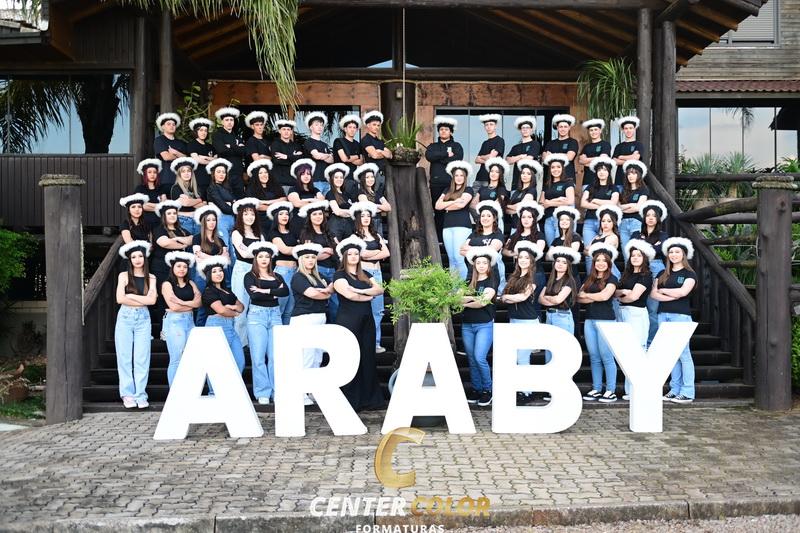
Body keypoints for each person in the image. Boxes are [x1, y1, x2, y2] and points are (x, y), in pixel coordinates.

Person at [334, 235, 387, 411]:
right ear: (344, 256)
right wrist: (367, 296)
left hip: (366, 320)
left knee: (367, 357)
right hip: (348, 320)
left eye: (356, 254)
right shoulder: (339, 275)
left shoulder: (365, 274)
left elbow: (379, 289)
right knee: (350, 358)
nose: (353, 257)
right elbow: (348, 295)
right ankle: (351, 401)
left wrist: (359, 290)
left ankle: (370, 400)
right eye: (350, 254)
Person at [651, 237, 697, 404]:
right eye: (671, 252)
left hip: (681, 316)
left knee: (684, 354)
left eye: (677, 252)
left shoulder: (689, 274)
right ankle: (674, 389)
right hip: (663, 316)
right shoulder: (661, 274)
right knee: (670, 355)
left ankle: (688, 392)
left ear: (683, 254)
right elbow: (653, 294)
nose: (674, 254)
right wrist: (672, 294)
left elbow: (683, 293)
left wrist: (664, 291)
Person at [244, 240, 288, 405]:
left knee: (276, 356)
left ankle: (278, 390)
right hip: (257, 316)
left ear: (271, 259)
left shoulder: (277, 276)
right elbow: (254, 296)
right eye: (261, 256)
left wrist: (265, 290)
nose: (264, 259)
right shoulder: (250, 276)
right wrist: (274, 292)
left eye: (267, 257)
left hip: (275, 315)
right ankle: (263, 391)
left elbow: (285, 292)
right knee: (258, 356)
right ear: (255, 258)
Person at [290, 242, 334, 405]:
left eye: (313, 257)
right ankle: (300, 393)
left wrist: (327, 290)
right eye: (307, 257)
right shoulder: (298, 277)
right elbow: (313, 294)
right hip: (304, 319)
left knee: (317, 356)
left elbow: (333, 285)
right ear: (301, 260)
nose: (310, 260)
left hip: (320, 317)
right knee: (306, 357)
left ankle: (313, 390)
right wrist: (326, 294)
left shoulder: (318, 276)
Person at [115, 240, 157, 409]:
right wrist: (143, 299)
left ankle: (140, 394)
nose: (137, 259)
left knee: (142, 358)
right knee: (124, 357)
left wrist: (131, 296)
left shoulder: (151, 278)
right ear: (130, 259)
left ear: (145, 258)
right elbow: (120, 299)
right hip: (125, 317)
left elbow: (152, 301)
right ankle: (127, 394)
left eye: (140, 256)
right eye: (134, 257)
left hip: (143, 319)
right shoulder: (123, 276)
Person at [499, 241, 542, 404]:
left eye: (526, 258)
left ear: (531, 260)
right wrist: (508, 297)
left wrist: (507, 297)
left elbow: (522, 297)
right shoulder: (514, 277)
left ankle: (527, 392)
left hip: (528, 322)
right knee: (516, 359)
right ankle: (521, 390)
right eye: (521, 257)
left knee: (523, 358)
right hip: (514, 320)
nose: (523, 260)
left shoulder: (534, 277)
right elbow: (506, 297)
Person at [579, 243, 620, 403]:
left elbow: (605, 296)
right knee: (594, 357)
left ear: (609, 263)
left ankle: (610, 390)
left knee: (606, 356)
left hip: (606, 320)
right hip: (590, 320)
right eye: (598, 260)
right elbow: (578, 297)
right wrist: (593, 296)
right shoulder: (589, 278)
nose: (600, 263)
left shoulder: (612, 278)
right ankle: (597, 388)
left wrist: (588, 296)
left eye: (604, 260)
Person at [615, 239, 655, 400]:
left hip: (636, 314)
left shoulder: (646, 276)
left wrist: (622, 295)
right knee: (627, 352)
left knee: (638, 351)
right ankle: (629, 391)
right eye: (633, 255)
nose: (635, 258)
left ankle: (639, 390)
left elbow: (633, 297)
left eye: (639, 255)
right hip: (623, 313)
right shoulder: (627, 274)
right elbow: (616, 292)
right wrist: (623, 293)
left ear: (644, 258)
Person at [461, 247, 500, 407]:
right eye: (478, 263)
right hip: (467, 325)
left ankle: (487, 390)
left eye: (484, 263)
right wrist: (473, 298)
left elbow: (482, 302)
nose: (481, 265)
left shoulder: (492, 281)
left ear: (489, 265)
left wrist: (467, 300)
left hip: (484, 325)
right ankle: (476, 389)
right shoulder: (469, 282)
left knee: (479, 357)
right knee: (471, 359)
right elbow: (457, 299)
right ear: (474, 265)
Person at [350, 201, 390, 354]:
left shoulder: (376, 235)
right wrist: (377, 253)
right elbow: (362, 254)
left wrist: (370, 254)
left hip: (377, 273)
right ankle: (362, 341)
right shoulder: (354, 237)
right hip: (364, 273)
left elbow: (386, 253)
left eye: (368, 216)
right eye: (363, 216)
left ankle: (375, 342)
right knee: (364, 309)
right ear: (358, 218)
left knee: (378, 310)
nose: (366, 218)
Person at [199, 256, 245, 380]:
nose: (219, 273)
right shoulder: (209, 291)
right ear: (209, 275)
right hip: (216, 325)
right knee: (216, 363)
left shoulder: (227, 291)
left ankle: (233, 387)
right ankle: (214, 390)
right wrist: (234, 312)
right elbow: (221, 310)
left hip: (230, 326)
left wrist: (232, 307)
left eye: (220, 270)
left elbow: (241, 307)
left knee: (239, 361)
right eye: (214, 271)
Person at [151, 200, 193, 335]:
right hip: (161, 268)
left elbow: (192, 239)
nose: (172, 215)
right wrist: (182, 243)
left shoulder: (182, 230)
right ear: (164, 216)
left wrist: (175, 240)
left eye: (174, 213)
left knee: (178, 295)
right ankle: (164, 330)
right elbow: (164, 243)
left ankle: (178, 328)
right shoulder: (159, 229)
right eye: (169, 213)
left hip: (179, 270)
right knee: (164, 298)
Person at [632, 199, 670, 345]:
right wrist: (654, 247)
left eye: (654, 215)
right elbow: (633, 250)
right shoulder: (636, 234)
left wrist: (644, 247)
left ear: (658, 218)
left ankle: (651, 342)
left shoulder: (663, 235)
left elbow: (661, 250)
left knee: (653, 309)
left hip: (656, 267)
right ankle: (640, 340)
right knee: (639, 307)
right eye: (648, 215)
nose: (651, 218)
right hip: (638, 269)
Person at [161, 250, 201, 387]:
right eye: (178, 266)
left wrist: (182, 302)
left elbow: (199, 303)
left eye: (185, 266)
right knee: (176, 358)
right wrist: (190, 304)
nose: (182, 269)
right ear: (172, 267)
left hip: (190, 321)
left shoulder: (191, 283)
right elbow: (174, 307)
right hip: (175, 321)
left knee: (190, 357)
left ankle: (187, 389)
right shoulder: (167, 284)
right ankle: (174, 392)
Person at [230, 197, 263, 345]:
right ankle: (240, 344)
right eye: (246, 214)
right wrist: (259, 252)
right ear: (240, 216)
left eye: (252, 214)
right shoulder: (237, 233)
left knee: (256, 309)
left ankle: (253, 343)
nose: (250, 217)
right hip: (242, 270)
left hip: (258, 271)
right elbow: (244, 254)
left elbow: (265, 255)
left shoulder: (259, 234)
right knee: (241, 309)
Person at [503, 201, 546, 316]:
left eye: (529, 217)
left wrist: (524, 252)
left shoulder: (539, 235)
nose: (526, 220)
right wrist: (516, 253)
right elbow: (504, 250)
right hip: (519, 274)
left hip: (535, 273)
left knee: (533, 305)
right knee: (519, 303)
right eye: (523, 217)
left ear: (534, 219)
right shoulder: (515, 235)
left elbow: (539, 251)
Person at [540, 246, 580, 367]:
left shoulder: (570, 280)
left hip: (562, 317)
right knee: (549, 351)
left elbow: (558, 299)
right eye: (558, 261)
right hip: (549, 315)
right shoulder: (551, 279)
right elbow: (540, 299)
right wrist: (552, 300)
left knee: (563, 353)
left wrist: (548, 298)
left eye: (564, 262)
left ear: (568, 266)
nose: (560, 264)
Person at [298, 200, 338, 321]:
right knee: (319, 303)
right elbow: (309, 256)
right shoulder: (306, 233)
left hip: (332, 270)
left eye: (320, 214)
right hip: (317, 271)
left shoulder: (329, 232)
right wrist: (328, 251)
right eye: (314, 214)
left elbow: (337, 250)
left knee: (335, 306)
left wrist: (324, 251)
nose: (318, 216)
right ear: (309, 217)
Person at [435, 161, 474, 280]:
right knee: (451, 259)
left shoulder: (468, 189)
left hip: (462, 226)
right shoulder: (447, 190)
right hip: (447, 227)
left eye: (461, 175)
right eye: (456, 175)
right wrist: (454, 201)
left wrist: (446, 206)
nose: (459, 177)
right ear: (453, 177)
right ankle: (454, 288)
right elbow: (437, 206)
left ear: (465, 177)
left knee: (459, 258)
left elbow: (461, 205)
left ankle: (463, 287)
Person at [191, 204, 229, 328]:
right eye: (208, 220)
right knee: (202, 307)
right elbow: (198, 256)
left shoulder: (220, 240)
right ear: (203, 222)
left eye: (214, 220)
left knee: (217, 305)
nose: (212, 222)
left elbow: (226, 258)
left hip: (218, 276)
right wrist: (218, 258)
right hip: (202, 275)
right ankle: (200, 332)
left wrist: (206, 256)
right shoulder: (197, 238)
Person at [426, 116, 463, 239]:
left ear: (451, 132)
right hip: (436, 183)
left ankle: (451, 236)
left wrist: (439, 158)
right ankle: (439, 238)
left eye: (446, 129)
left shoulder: (456, 145)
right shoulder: (432, 146)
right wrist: (446, 154)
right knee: (438, 210)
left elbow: (458, 158)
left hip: (452, 183)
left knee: (452, 209)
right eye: (441, 129)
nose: (443, 131)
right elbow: (429, 156)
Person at [580, 154, 619, 262]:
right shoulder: (590, 187)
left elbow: (613, 203)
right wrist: (605, 205)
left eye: (605, 170)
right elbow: (583, 203)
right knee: (589, 253)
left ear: (609, 172)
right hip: (589, 222)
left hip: (606, 223)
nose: (602, 172)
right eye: (599, 170)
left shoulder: (613, 188)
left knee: (604, 255)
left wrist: (595, 200)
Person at [460, 200, 505, 289]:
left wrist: (471, 249)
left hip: (489, 273)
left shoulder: (498, 234)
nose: (485, 218)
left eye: (489, 216)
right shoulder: (474, 233)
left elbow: (491, 250)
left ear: (494, 218)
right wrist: (484, 249)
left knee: (485, 297)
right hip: (472, 272)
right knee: (467, 295)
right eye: (483, 216)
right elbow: (462, 250)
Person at [267, 201, 298, 324]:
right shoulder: (273, 233)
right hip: (282, 272)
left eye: (286, 214)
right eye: (281, 214)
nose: (285, 216)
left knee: (290, 309)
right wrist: (300, 248)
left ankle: (286, 333)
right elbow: (284, 249)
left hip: (295, 272)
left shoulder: (292, 232)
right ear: (276, 217)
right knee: (280, 307)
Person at [539, 153, 575, 246]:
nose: (555, 169)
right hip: (548, 219)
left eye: (558, 167)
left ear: (562, 168)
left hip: (562, 219)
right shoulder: (547, 185)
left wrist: (550, 203)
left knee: (560, 246)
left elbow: (570, 201)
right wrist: (558, 200)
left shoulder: (568, 182)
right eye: (553, 167)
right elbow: (541, 203)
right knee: (551, 247)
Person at [211, 107, 246, 198]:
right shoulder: (217, 135)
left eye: (231, 120)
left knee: (240, 198)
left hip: (238, 172)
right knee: (226, 198)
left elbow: (243, 151)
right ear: (222, 122)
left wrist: (230, 146)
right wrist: (236, 147)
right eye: (227, 120)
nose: (229, 122)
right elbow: (221, 150)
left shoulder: (237, 137)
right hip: (225, 173)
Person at [245, 159, 286, 236]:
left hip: (276, 219)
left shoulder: (275, 185)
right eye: (260, 173)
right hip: (261, 220)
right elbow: (257, 206)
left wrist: (267, 202)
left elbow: (284, 199)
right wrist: (274, 205)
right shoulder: (251, 189)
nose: (264, 175)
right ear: (256, 175)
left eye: (266, 172)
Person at [619, 160, 650, 258]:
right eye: (629, 174)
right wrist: (632, 205)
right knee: (625, 253)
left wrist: (625, 207)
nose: (631, 176)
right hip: (623, 223)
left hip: (636, 222)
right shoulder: (623, 190)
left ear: (639, 175)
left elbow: (638, 208)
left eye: (634, 173)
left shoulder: (643, 190)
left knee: (636, 251)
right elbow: (618, 207)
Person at [205, 158, 236, 249]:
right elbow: (223, 207)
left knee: (232, 248)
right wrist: (231, 205)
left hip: (232, 219)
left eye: (223, 172)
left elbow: (234, 202)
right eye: (218, 172)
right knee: (224, 246)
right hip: (221, 219)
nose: (221, 174)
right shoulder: (212, 188)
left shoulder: (228, 188)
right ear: (213, 174)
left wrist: (231, 204)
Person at [471, 157, 509, 233]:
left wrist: (482, 208)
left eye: (497, 172)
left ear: (500, 174)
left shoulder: (501, 189)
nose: (493, 174)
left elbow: (496, 205)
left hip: (495, 221)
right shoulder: (482, 188)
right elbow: (473, 204)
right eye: (492, 171)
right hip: (482, 220)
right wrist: (482, 215)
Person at [288, 158, 326, 232]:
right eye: (303, 174)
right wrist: (315, 201)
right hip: (299, 222)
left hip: (314, 221)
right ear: (298, 176)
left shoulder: (314, 189)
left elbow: (322, 201)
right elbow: (297, 203)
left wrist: (305, 201)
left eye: (308, 174)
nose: (306, 176)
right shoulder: (293, 189)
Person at [169, 157, 204, 236]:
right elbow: (186, 203)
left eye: (188, 171)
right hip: (183, 220)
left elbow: (203, 205)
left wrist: (191, 201)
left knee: (197, 243)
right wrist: (199, 200)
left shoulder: (196, 188)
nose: (186, 173)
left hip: (197, 220)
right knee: (187, 242)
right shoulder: (176, 188)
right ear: (179, 174)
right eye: (183, 171)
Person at [506, 116, 541, 192]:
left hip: (529, 183)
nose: (525, 130)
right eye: (523, 128)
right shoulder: (515, 147)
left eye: (527, 128)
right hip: (516, 182)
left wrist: (515, 159)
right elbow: (508, 160)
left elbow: (529, 159)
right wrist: (520, 156)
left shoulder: (535, 144)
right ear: (520, 130)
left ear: (531, 130)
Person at [304, 111, 335, 196]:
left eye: (321, 125)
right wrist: (327, 155)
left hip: (325, 180)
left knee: (327, 202)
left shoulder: (324, 144)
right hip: (314, 180)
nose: (320, 127)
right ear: (311, 127)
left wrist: (323, 156)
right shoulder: (308, 142)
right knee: (317, 202)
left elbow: (331, 160)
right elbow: (317, 156)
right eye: (316, 125)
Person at [586, 204, 623, 277]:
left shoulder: (613, 237)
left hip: (610, 271)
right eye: (603, 221)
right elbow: (585, 251)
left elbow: (601, 252)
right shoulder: (597, 237)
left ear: (614, 223)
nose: (605, 223)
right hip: (597, 269)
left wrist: (591, 250)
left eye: (609, 221)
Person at [356, 163, 391, 236]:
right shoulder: (361, 192)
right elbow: (368, 207)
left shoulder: (377, 193)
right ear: (363, 179)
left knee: (380, 240)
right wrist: (381, 207)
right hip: (368, 222)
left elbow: (388, 207)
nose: (370, 179)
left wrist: (375, 206)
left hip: (379, 222)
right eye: (367, 177)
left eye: (372, 177)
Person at [153, 112, 187, 187]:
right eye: (168, 124)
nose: (171, 126)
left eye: (173, 124)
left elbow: (187, 159)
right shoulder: (159, 140)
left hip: (181, 179)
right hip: (165, 179)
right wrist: (181, 156)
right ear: (163, 127)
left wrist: (176, 152)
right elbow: (166, 157)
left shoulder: (181, 143)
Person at [270, 119, 305, 191]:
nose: (286, 131)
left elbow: (300, 161)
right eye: (284, 129)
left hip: (294, 181)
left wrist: (286, 156)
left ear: (291, 131)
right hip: (280, 181)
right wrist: (293, 157)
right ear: (279, 131)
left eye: (288, 129)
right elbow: (277, 161)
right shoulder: (275, 144)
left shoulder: (296, 145)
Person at [505, 160, 541, 230]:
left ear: (532, 176)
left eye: (528, 174)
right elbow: (507, 211)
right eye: (523, 173)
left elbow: (522, 205)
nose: (525, 175)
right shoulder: (516, 192)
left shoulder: (532, 190)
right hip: (514, 226)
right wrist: (517, 208)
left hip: (527, 227)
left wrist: (506, 205)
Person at [550, 206, 583, 280]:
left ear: (571, 222)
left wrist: (556, 251)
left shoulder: (575, 237)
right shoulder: (556, 240)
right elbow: (549, 256)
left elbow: (571, 254)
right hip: (557, 274)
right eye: (561, 220)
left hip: (571, 275)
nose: (564, 221)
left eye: (567, 220)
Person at [325, 163, 356, 242]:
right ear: (332, 179)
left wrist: (345, 212)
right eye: (336, 177)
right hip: (336, 226)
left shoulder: (347, 194)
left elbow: (356, 210)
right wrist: (351, 212)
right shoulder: (330, 193)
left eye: (341, 177)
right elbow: (337, 211)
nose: (339, 179)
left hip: (349, 225)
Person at [543, 114, 578, 181]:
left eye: (565, 127)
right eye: (561, 127)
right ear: (557, 128)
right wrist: (564, 154)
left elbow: (569, 157)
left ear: (569, 128)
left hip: (568, 178)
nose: (563, 129)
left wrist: (551, 155)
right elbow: (544, 158)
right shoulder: (550, 143)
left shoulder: (573, 142)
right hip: (552, 179)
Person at [134, 158, 168, 229]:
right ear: (145, 174)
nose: (152, 174)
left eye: (154, 172)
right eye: (149, 172)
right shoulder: (140, 188)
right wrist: (158, 206)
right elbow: (141, 206)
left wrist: (148, 204)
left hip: (160, 222)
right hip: (144, 222)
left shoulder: (161, 188)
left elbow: (164, 205)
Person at [578, 118, 612, 188]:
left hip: (602, 181)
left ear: (600, 131)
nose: (593, 132)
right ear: (589, 132)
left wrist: (587, 162)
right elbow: (581, 161)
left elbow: (603, 158)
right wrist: (597, 158)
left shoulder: (605, 144)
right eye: (591, 130)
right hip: (587, 181)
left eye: (595, 129)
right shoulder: (586, 147)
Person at [473, 114, 505, 188]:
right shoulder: (485, 143)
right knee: (474, 195)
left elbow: (491, 157)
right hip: (479, 177)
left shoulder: (500, 140)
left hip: (491, 179)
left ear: (495, 126)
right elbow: (476, 160)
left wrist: (482, 157)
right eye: (486, 125)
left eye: (491, 124)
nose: (489, 127)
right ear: (484, 127)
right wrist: (488, 158)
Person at [187, 117, 216, 199]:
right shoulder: (192, 144)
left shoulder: (210, 146)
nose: (204, 132)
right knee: (200, 201)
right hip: (198, 179)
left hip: (211, 179)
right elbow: (198, 160)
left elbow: (216, 160)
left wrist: (204, 157)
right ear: (196, 131)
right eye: (201, 130)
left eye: (205, 130)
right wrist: (210, 160)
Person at [612, 115, 644, 186]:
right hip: (619, 180)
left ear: (634, 129)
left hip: (634, 181)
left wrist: (620, 157)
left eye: (630, 128)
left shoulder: (638, 144)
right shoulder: (619, 146)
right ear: (623, 130)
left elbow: (635, 158)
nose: (628, 130)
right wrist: (631, 159)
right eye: (626, 128)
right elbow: (614, 161)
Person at [361, 110, 392, 181]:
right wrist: (383, 154)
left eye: (378, 125)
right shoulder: (366, 139)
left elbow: (390, 155)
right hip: (372, 175)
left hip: (383, 173)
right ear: (368, 125)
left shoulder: (380, 141)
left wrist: (380, 151)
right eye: (374, 125)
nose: (376, 127)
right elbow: (374, 155)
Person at [333, 114, 364, 179]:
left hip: (353, 177)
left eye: (354, 127)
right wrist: (357, 156)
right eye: (350, 127)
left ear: (357, 130)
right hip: (340, 178)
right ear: (345, 129)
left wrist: (348, 158)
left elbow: (361, 162)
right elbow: (344, 159)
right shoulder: (339, 141)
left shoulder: (358, 144)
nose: (352, 130)